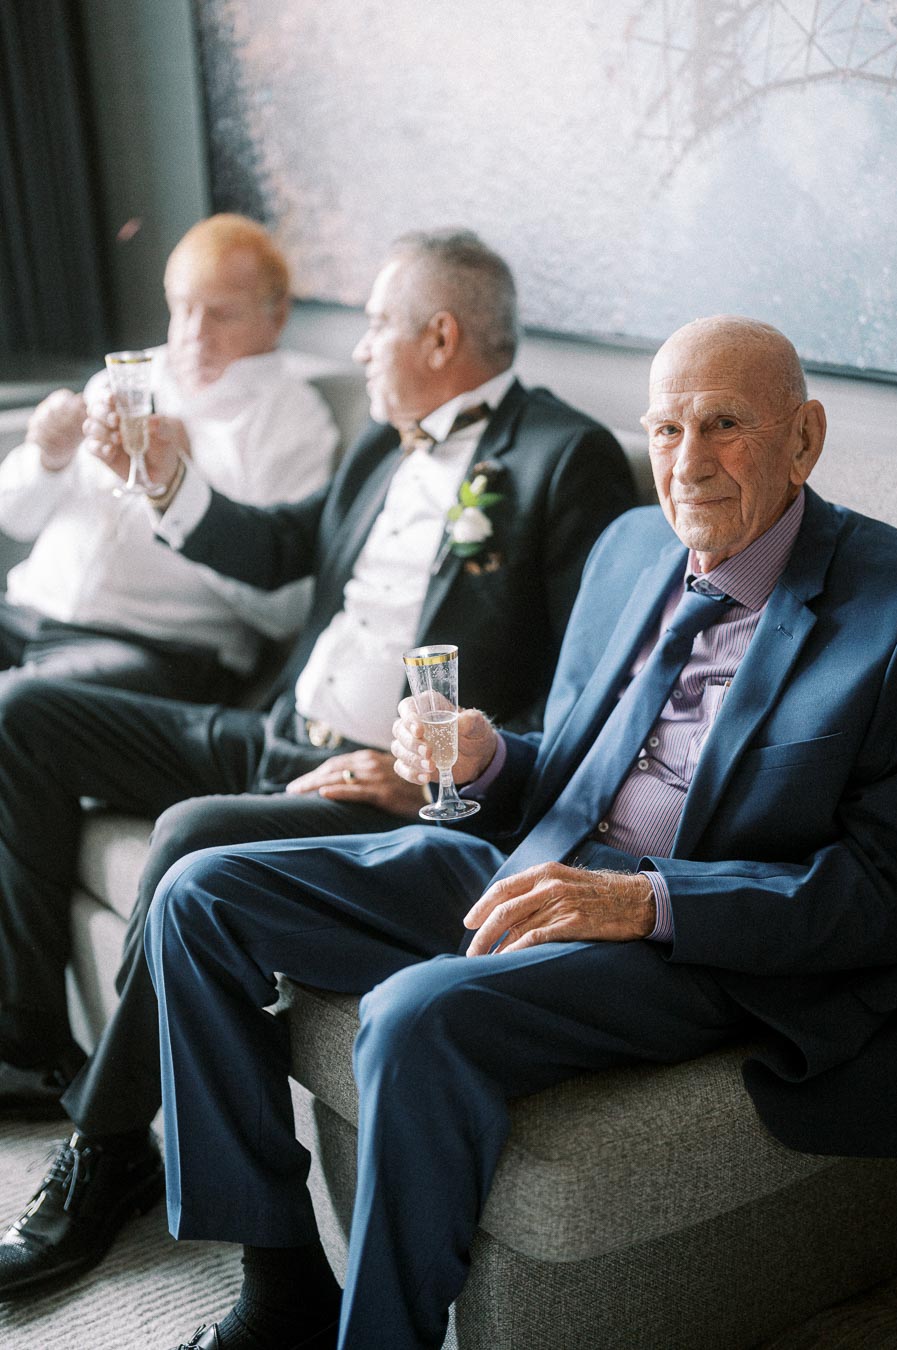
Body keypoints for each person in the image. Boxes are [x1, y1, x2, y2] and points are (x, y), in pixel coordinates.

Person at [140, 315, 897, 1350]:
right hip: (537, 861)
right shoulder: (634, 544)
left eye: (724, 426)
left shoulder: (886, 611)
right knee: (201, 894)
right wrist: (490, 760)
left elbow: (877, 891)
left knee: (415, 1014)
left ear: (804, 439)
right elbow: (588, 765)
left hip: (692, 936)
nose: (686, 464)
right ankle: (280, 1285)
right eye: (666, 430)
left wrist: (643, 902)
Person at [0, 229, 635, 1297]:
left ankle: (104, 1153)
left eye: (379, 324)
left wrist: (432, 773)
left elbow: (591, 691)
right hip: (271, 730)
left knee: (189, 839)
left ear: (441, 335)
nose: (363, 349)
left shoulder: (562, 458)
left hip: (384, 784)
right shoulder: (385, 443)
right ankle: (23, 1042)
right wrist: (168, 482)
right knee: (24, 713)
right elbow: (283, 546)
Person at [0, 213, 338, 700]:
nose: (194, 334)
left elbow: (282, 610)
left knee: (18, 702)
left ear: (277, 316)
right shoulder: (126, 378)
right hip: (29, 609)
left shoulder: (293, 423)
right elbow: (14, 520)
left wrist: (185, 480)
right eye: (183, 309)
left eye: (221, 314)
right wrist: (46, 458)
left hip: (155, 649)